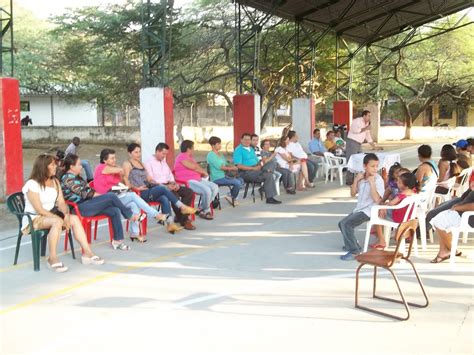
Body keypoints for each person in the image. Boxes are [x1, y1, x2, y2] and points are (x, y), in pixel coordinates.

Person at [22, 154, 104, 272]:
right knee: (57, 222)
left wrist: (65, 215)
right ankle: (52, 258)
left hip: (51, 215)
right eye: (52, 165)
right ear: (43, 167)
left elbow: (61, 202)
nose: (56, 167)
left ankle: (88, 253)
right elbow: (39, 209)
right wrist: (60, 218)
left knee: (74, 219)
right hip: (34, 218)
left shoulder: (55, 181)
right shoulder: (32, 184)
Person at [61, 154, 144, 250]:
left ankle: (117, 241)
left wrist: (104, 197)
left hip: (88, 204)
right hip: (79, 208)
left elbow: (89, 190)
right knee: (111, 196)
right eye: (79, 165)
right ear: (71, 167)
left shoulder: (77, 177)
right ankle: (130, 215)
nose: (81, 167)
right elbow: (86, 193)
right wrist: (104, 197)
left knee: (114, 210)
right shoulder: (67, 178)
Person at [93, 148, 168, 243]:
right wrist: (121, 170)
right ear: (104, 160)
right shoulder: (101, 167)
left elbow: (127, 185)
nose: (114, 160)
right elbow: (120, 169)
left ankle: (135, 233)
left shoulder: (115, 172)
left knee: (133, 204)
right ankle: (155, 214)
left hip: (116, 197)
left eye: (115, 158)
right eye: (112, 158)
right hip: (104, 199)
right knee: (132, 195)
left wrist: (123, 176)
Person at [123, 143, 196, 233]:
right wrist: (136, 188)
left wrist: (159, 184)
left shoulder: (141, 164)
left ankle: (170, 224)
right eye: (136, 152)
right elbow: (126, 182)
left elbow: (150, 179)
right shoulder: (127, 164)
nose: (138, 154)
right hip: (139, 193)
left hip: (149, 189)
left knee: (164, 198)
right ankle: (182, 206)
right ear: (130, 153)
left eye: (139, 152)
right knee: (162, 189)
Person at [338, 153, 384, 261]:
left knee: (346, 224)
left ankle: (354, 251)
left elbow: (377, 199)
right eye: (372, 166)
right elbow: (353, 194)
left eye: (377, 166)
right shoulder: (361, 178)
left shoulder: (378, 180)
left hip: (370, 210)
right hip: (359, 209)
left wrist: (372, 184)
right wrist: (356, 180)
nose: (375, 169)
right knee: (341, 223)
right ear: (364, 166)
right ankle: (351, 244)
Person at [144, 143, 197, 230]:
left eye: (166, 154)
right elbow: (151, 181)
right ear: (157, 151)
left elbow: (169, 174)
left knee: (189, 192)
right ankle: (184, 220)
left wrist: (173, 183)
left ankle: (181, 217)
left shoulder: (163, 161)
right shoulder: (148, 163)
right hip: (159, 187)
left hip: (169, 184)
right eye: (163, 154)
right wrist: (167, 186)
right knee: (174, 195)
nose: (164, 156)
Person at [429, 173, 474, 263]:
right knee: (439, 218)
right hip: (462, 212)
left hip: (467, 216)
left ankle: (451, 249)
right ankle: (444, 251)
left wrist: (458, 207)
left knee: (438, 221)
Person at [174, 140, 219, 220]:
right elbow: (193, 167)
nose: (193, 150)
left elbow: (196, 167)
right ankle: (206, 210)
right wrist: (203, 172)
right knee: (207, 190)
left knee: (215, 187)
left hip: (197, 179)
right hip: (187, 181)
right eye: (193, 148)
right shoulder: (182, 156)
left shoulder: (190, 157)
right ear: (188, 149)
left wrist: (202, 171)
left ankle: (201, 208)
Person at [373, 172, 418, 249]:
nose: (397, 183)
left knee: (375, 213)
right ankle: (381, 236)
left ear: (406, 185)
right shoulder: (413, 191)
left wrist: (383, 207)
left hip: (398, 217)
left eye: (399, 182)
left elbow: (391, 203)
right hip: (407, 217)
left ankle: (381, 239)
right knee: (381, 209)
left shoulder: (403, 193)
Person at [233, 133, 281, 204]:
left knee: (269, 173)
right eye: (245, 139)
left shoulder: (251, 149)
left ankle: (269, 196)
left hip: (256, 169)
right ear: (241, 140)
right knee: (269, 175)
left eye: (248, 139)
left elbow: (257, 160)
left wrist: (259, 165)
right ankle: (269, 196)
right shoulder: (238, 150)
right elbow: (238, 165)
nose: (247, 141)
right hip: (245, 172)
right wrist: (253, 169)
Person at [206, 136, 242, 206]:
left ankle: (231, 195)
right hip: (217, 178)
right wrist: (232, 168)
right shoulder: (211, 155)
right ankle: (232, 197)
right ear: (213, 145)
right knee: (237, 183)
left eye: (220, 144)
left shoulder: (220, 154)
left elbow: (226, 163)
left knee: (240, 180)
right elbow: (221, 167)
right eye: (218, 144)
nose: (220, 146)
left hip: (224, 176)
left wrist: (233, 165)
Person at [345, 110, 378, 185]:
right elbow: (356, 131)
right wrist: (366, 128)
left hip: (359, 143)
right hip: (352, 142)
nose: (369, 117)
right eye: (368, 116)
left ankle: (359, 178)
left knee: (361, 160)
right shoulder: (357, 121)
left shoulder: (367, 124)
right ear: (364, 116)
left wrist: (373, 146)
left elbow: (367, 135)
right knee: (351, 160)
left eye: (370, 116)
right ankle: (349, 180)